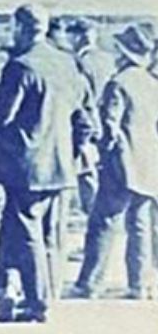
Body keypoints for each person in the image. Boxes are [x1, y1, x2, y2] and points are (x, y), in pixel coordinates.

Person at [0, 4, 95, 324]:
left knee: (26, 233)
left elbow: (1, 114)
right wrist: (69, 152)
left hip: (24, 166)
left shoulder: (20, 66)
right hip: (58, 165)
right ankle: (24, 294)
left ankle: (37, 303)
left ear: (19, 27)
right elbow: (85, 120)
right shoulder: (68, 65)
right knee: (44, 234)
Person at [69, 23, 158, 299]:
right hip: (147, 161)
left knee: (103, 221)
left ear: (123, 53)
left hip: (121, 162)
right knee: (140, 223)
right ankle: (140, 284)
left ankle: (90, 283)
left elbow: (110, 125)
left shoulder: (118, 83)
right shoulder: (151, 83)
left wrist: (103, 150)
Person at [66, 18, 118, 216]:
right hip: (107, 122)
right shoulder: (108, 60)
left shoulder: (79, 63)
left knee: (87, 173)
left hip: (88, 122)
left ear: (77, 37)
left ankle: (94, 217)